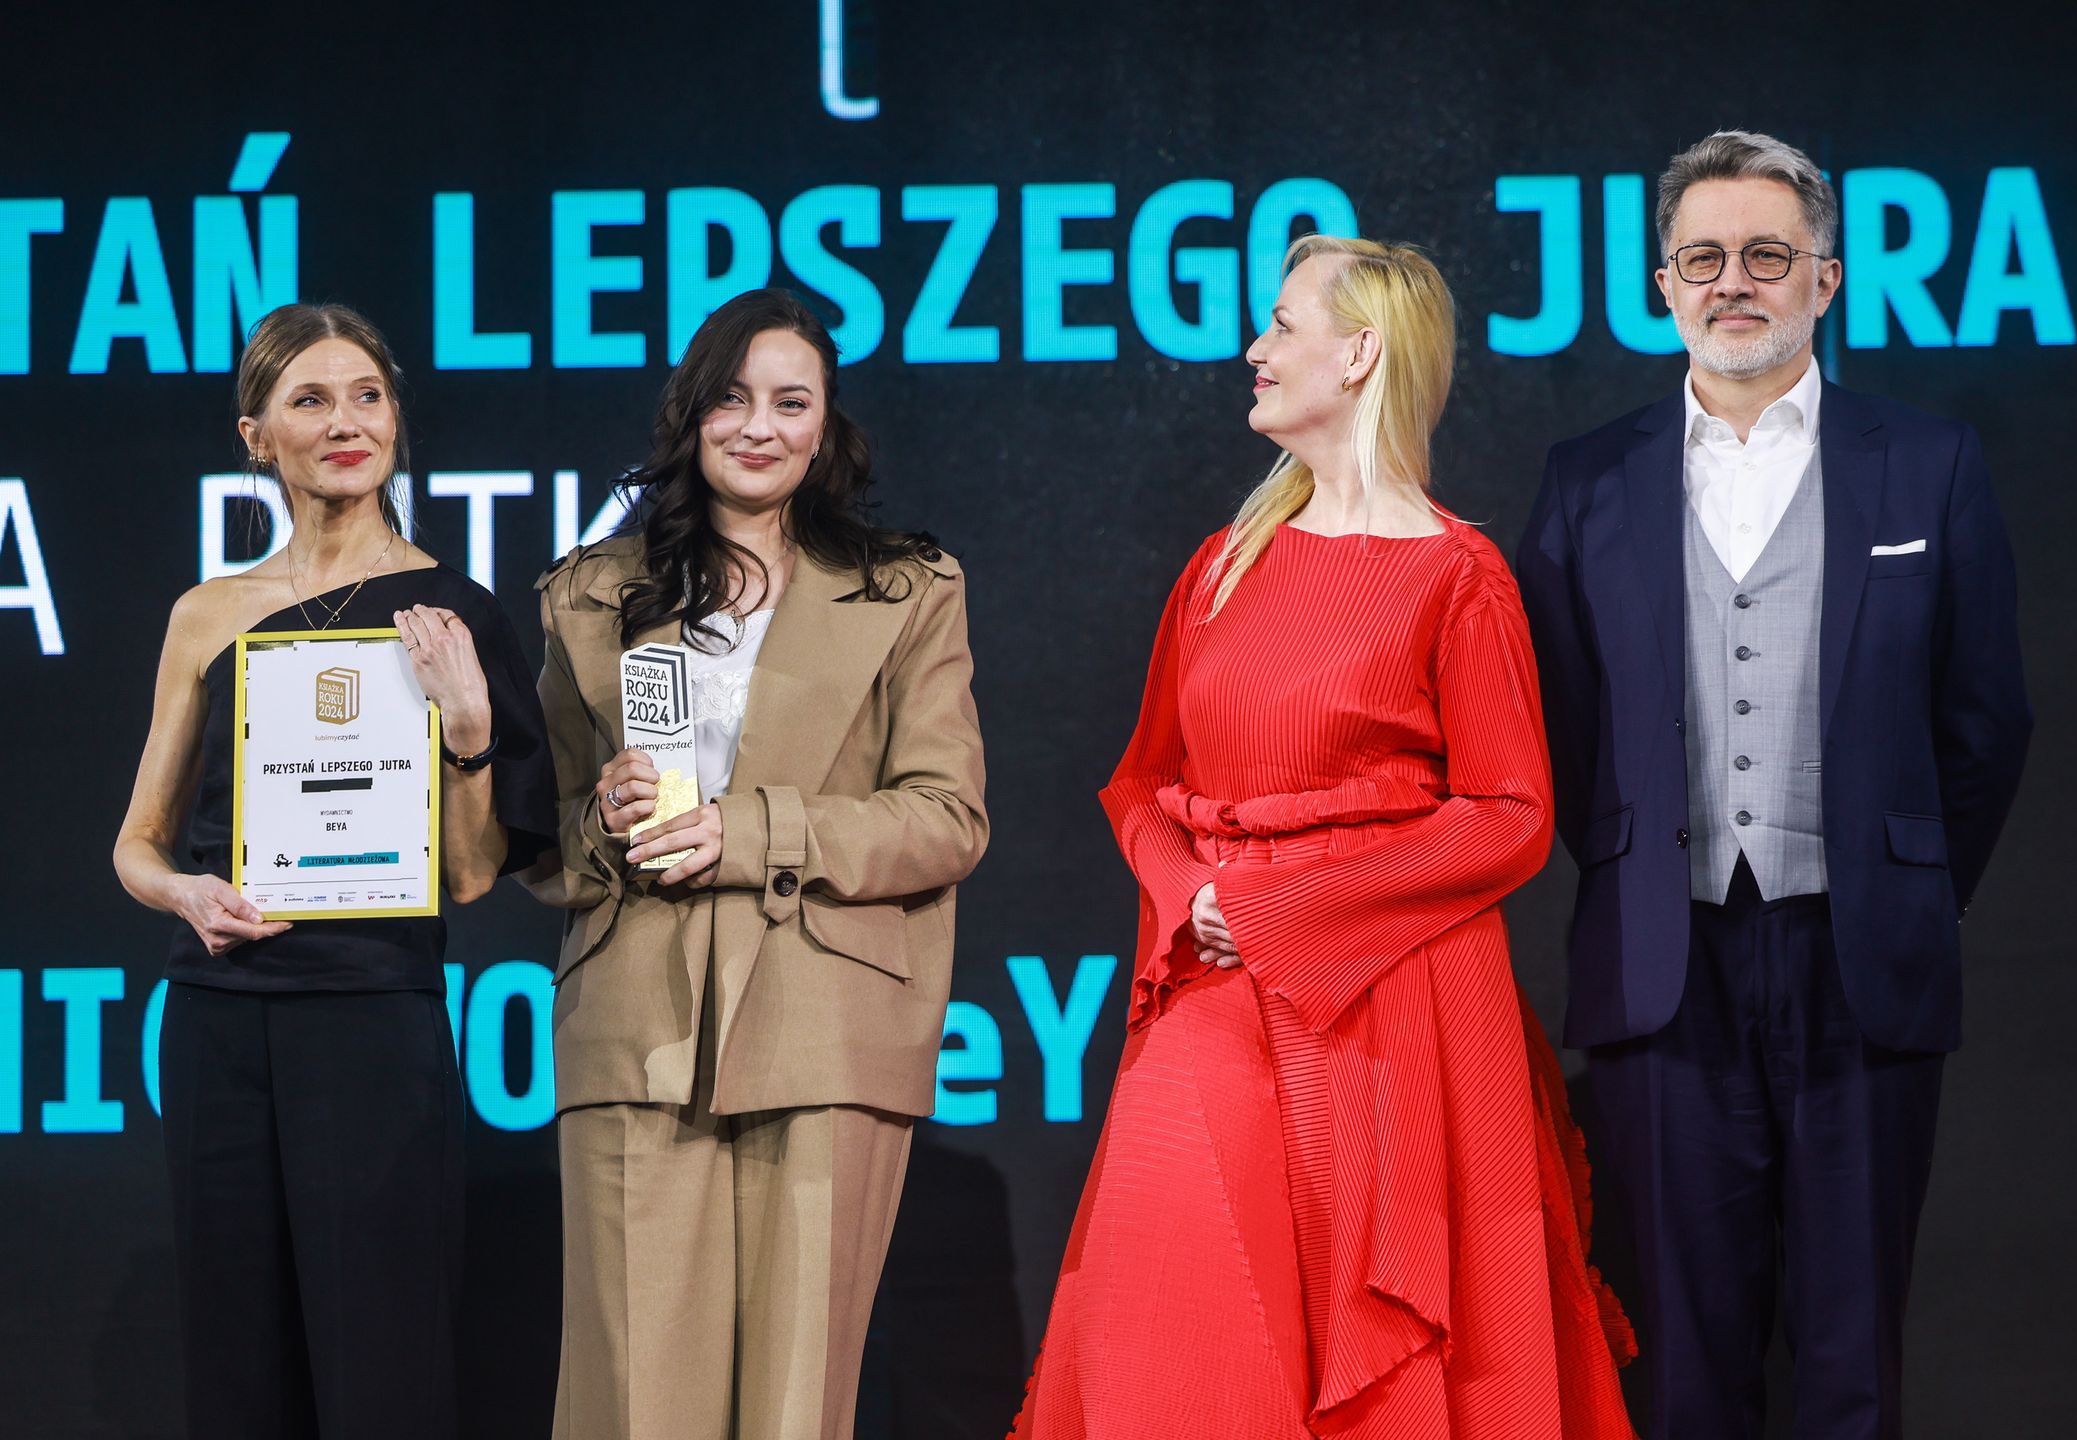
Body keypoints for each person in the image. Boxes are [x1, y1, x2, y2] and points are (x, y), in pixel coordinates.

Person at [1013, 236, 1635, 1439]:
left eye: (1282, 325)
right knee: (1171, 1325)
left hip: (1388, 1008)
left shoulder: (1458, 576)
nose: (1254, 348)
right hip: (1212, 985)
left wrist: (1277, 910)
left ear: (1359, 354)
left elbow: (1512, 818)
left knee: (1383, 1361)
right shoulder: (1222, 564)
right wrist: (1190, 894)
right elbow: (1142, 783)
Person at [1515, 130, 2033, 1439]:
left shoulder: (1927, 461)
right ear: (1662, 284)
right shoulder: (1587, 478)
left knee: (1852, 1351)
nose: (1732, 281)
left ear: (1826, 278)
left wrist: (1907, 881)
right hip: (1662, 965)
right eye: (1702, 258)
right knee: (1683, 1356)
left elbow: (1984, 718)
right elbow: (1560, 721)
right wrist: (1638, 865)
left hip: (1864, 959)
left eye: (1765, 254)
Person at [529, 288, 988, 1440]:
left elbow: (947, 818)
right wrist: (604, 817)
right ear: (691, 413)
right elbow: (542, 843)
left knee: (795, 1408)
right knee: (633, 1408)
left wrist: (756, 832)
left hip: (825, 1024)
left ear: (827, 425)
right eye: (731, 399)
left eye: (791, 402)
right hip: (638, 1025)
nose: (759, 427)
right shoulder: (587, 594)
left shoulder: (909, 588)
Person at [112, 303, 555, 1439]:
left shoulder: (455, 613)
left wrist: (469, 732)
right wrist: (186, 893)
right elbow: (137, 845)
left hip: (372, 1019)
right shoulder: (207, 613)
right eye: (311, 400)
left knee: (383, 1367)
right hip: (218, 1020)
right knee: (237, 1366)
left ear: (397, 420)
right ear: (257, 436)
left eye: (368, 396)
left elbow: (472, 879)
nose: (346, 423)